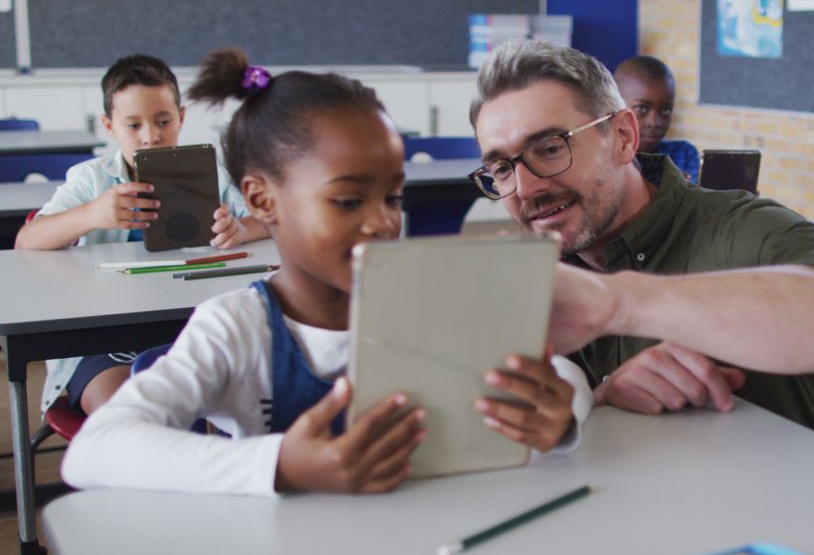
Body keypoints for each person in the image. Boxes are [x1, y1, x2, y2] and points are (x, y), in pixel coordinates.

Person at [61, 48, 592, 496]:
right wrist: (280, 465)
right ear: (261, 199)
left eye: (392, 198)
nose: (382, 222)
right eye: (346, 201)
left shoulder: (425, 304)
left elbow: (562, 372)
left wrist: (561, 411)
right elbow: (94, 450)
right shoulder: (236, 328)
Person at [468, 40, 814, 444]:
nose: (525, 190)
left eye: (549, 148)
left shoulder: (741, 230)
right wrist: (602, 398)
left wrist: (619, 302)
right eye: (503, 170)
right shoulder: (551, 268)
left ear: (622, 137)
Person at [16, 54, 270, 418]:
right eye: (133, 125)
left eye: (163, 121)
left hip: (189, 326)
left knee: (232, 396)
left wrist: (242, 229)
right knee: (130, 413)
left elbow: (270, 219)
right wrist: (91, 215)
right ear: (109, 125)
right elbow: (27, 241)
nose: (151, 135)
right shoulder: (91, 179)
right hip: (103, 335)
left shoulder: (210, 173)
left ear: (181, 117)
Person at [613, 55, 700, 183]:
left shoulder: (683, 155)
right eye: (642, 108)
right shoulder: (604, 159)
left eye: (665, 110)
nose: (654, 122)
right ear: (616, 106)